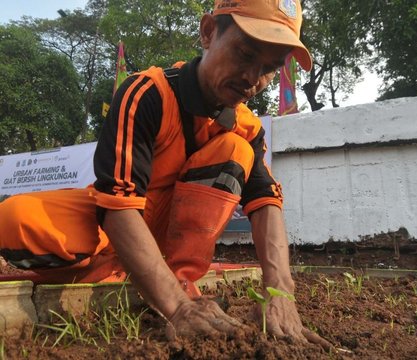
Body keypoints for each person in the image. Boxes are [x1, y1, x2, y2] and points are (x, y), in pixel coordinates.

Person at [0, 0, 333, 349]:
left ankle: (177, 281)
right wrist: (178, 310)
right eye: (245, 53)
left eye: (269, 67)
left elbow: (266, 202)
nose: (253, 78)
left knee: (235, 150)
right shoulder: (148, 94)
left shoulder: (246, 128)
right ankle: (133, 278)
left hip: (169, 242)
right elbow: (117, 206)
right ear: (207, 33)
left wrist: (281, 291)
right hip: (109, 223)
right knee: (13, 218)